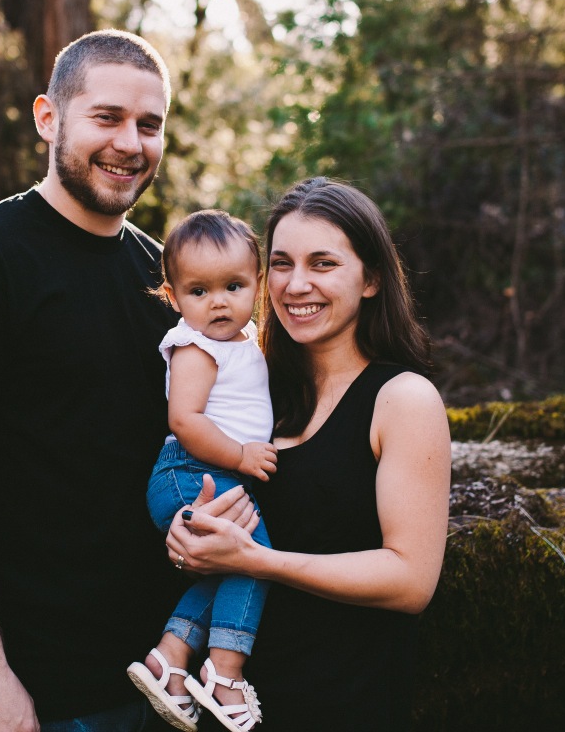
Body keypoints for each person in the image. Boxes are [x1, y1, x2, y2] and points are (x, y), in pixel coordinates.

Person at [0, 29, 255, 732]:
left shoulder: (168, 279)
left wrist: (218, 516)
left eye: (149, 125)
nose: (131, 143)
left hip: (157, 682)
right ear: (48, 118)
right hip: (33, 693)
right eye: (107, 117)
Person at [166, 177, 451, 732]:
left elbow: (410, 581)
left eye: (322, 264)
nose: (296, 285)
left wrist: (255, 560)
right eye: (281, 264)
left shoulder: (402, 400)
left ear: (370, 278)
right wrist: (187, 538)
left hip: (339, 704)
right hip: (226, 711)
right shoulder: (254, 387)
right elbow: (204, 496)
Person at [127, 211, 276, 732]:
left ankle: (169, 659)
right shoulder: (195, 345)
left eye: (233, 286)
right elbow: (184, 419)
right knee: (256, 556)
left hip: (213, 474)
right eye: (199, 290)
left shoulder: (245, 338)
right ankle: (225, 672)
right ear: (173, 296)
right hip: (191, 471)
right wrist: (240, 457)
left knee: (228, 563)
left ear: (257, 286)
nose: (218, 301)